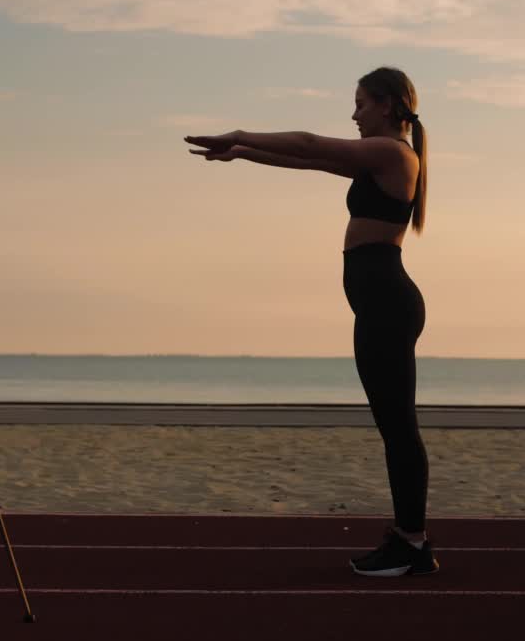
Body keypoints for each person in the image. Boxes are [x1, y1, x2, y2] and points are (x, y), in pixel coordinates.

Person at [184, 66, 436, 577]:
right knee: (394, 426)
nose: (354, 113)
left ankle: (412, 543)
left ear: (387, 105)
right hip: (379, 302)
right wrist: (243, 155)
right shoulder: (378, 160)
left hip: (388, 301)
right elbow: (311, 159)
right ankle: (409, 537)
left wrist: (238, 132)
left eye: (361, 103)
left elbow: (309, 140)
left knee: (399, 428)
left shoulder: (393, 153)